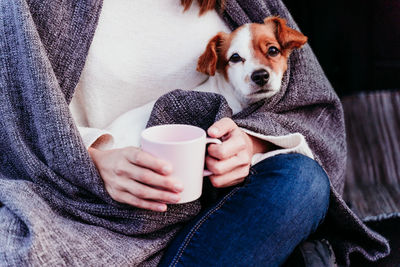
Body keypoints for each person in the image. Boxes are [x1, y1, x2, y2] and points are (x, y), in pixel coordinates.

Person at [0, 0, 389, 266]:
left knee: (301, 182)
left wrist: (252, 143)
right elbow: (14, 112)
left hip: (219, 213)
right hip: (88, 207)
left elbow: (307, 105)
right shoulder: (31, 9)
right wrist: (93, 157)